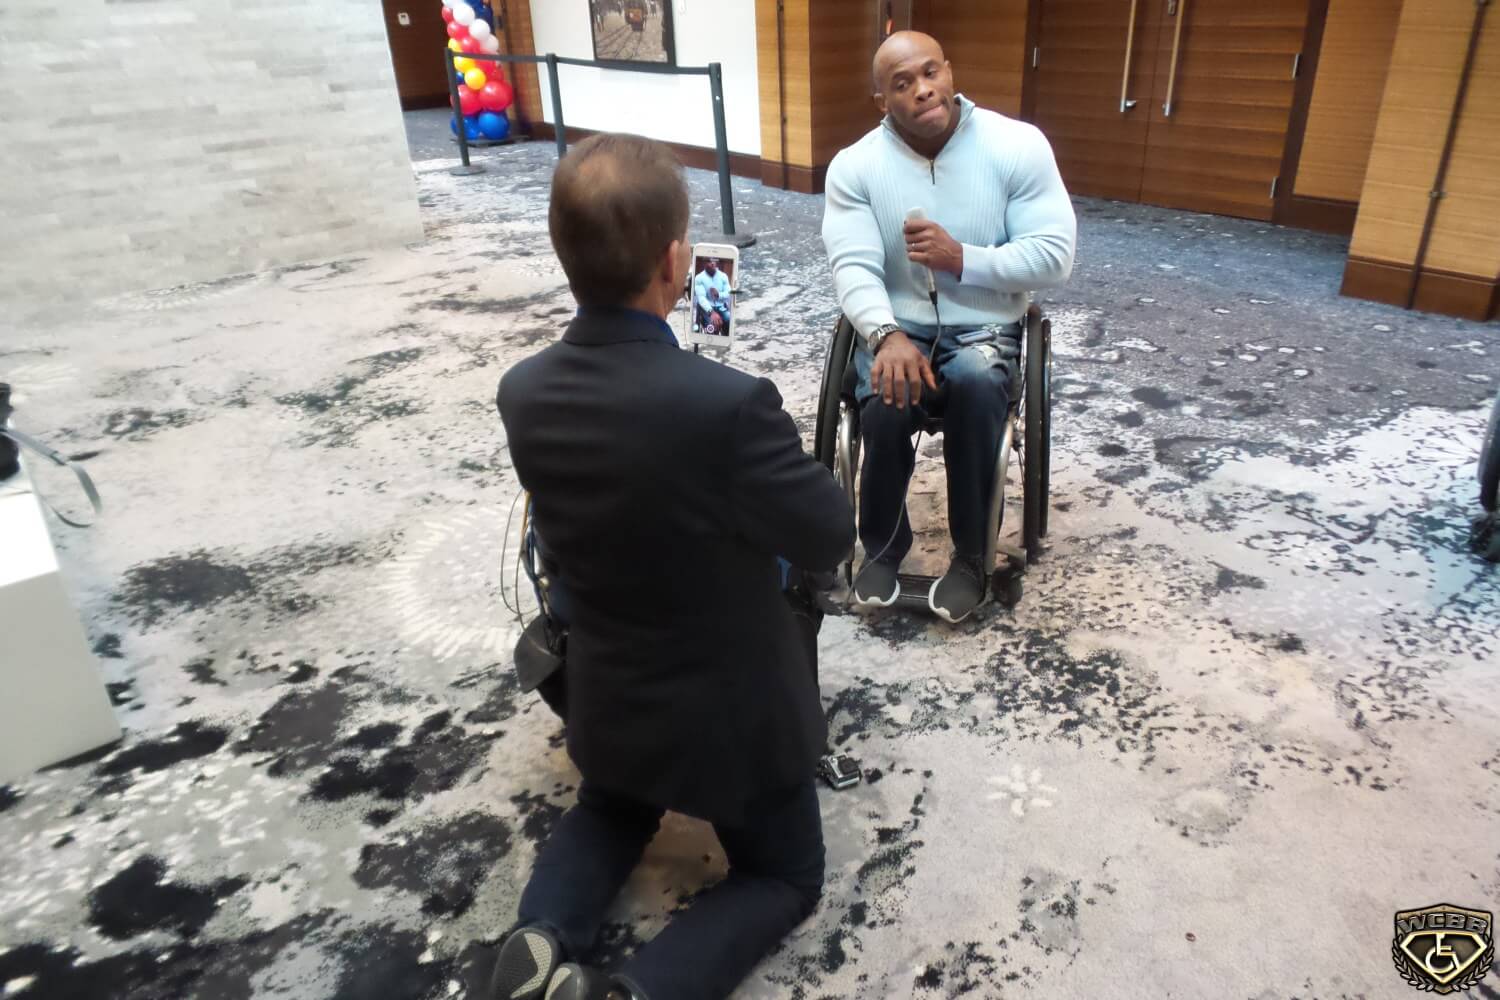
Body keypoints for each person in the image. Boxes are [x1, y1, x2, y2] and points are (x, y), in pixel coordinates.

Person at [491, 133, 855, 1000]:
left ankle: (538, 940)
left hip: (610, 702)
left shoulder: (522, 390)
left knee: (611, 807)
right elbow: (827, 536)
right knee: (784, 877)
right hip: (734, 728)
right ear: (674, 262)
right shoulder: (729, 406)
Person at [821, 30, 1076, 623]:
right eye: (902, 83)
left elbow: (1054, 257)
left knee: (978, 382)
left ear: (950, 71)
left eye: (930, 72)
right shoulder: (855, 167)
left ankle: (970, 559)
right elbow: (852, 266)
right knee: (885, 396)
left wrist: (963, 258)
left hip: (985, 322)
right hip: (895, 324)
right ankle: (882, 548)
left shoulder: (1017, 146)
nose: (922, 90)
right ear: (881, 99)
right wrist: (884, 334)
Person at [693, 257, 732, 335]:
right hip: (707, 308)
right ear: (704, 263)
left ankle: (725, 336)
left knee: (729, 319)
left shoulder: (723, 276)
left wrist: (718, 295)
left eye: (714, 261)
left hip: (721, 307)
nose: (712, 263)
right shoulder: (699, 278)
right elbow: (701, 298)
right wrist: (712, 313)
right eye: (709, 261)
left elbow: (728, 293)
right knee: (711, 326)